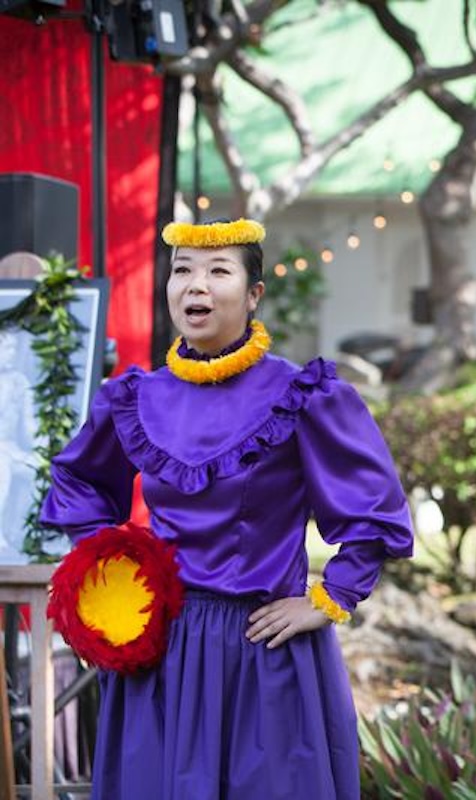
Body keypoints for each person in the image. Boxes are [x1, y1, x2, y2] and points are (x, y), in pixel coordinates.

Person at [40, 218, 414, 799]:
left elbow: (374, 508)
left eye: (218, 271)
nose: (196, 286)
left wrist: (333, 595)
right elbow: (78, 482)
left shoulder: (302, 395)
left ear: (254, 293)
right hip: (161, 651)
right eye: (182, 271)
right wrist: (106, 575)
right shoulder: (138, 397)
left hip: (263, 651)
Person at [0, 328, 39, 561]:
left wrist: (44, 442)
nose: (12, 354)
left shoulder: (19, 383)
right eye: (7, 348)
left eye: (15, 348)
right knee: (1, 466)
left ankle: (19, 535)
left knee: (38, 470)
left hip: (11, 447)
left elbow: (28, 429)